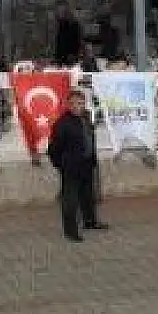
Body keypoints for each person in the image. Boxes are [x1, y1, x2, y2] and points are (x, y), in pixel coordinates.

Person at [46, 90, 106, 243]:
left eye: (81, 103)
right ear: (68, 105)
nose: (78, 107)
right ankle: (70, 231)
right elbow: (53, 149)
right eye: (74, 104)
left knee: (88, 195)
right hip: (71, 167)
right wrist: (61, 164)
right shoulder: (62, 124)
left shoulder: (86, 119)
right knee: (70, 200)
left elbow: (90, 139)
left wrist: (92, 158)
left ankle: (90, 221)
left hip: (86, 163)